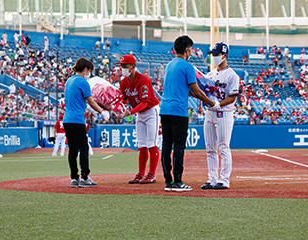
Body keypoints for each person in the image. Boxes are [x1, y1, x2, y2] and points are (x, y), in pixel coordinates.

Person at [159, 35, 218, 192]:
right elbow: (196, 91)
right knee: (179, 146)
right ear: (186, 50)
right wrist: (212, 102)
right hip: (178, 111)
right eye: (191, 49)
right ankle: (178, 180)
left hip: (164, 109)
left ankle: (168, 181)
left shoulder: (169, 65)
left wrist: (200, 96)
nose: (191, 51)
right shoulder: (187, 66)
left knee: (166, 145)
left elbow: (187, 90)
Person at [63, 57, 109, 188]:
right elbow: (91, 101)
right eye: (89, 71)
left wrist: (89, 108)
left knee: (72, 150)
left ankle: (74, 178)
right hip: (77, 120)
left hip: (67, 119)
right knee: (83, 147)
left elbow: (75, 101)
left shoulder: (69, 81)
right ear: (85, 69)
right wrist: (101, 112)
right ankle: (84, 177)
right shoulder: (83, 82)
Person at [201, 42, 239, 190]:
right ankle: (212, 178)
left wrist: (219, 104)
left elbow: (233, 97)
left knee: (223, 147)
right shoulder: (210, 74)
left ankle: (224, 179)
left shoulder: (232, 75)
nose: (214, 57)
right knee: (210, 148)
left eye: (216, 55)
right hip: (210, 113)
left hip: (224, 113)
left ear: (225, 55)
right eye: (212, 55)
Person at [119, 54, 160, 184]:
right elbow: (123, 99)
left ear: (133, 67)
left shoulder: (143, 80)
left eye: (125, 66)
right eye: (122, 66)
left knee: (152, 143)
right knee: (142, 144)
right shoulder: (124, 82)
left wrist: (129, 112)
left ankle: (151, 174)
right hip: (139, 113)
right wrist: (118, 107)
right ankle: (141, 174)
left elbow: (145, 102)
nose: (123, 68)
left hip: (151, 111)